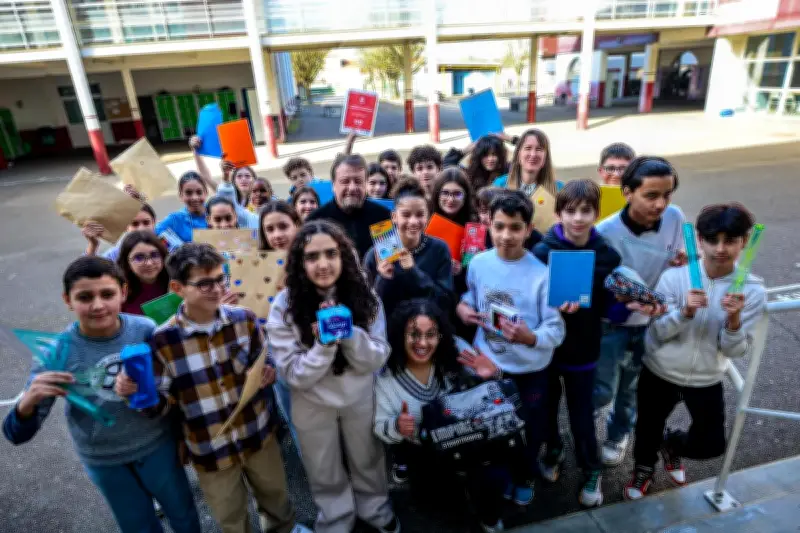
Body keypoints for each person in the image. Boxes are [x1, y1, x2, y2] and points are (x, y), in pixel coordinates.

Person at [3, 256, 201, 533]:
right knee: (137, 525)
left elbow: (175, 385)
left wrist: (182, 434)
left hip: (158, 446)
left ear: (123, 292)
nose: (97, 305)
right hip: (105, 460)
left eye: (107, 294)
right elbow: (16, 434)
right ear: (67, 300)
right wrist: (27, 404)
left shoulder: (145, 330)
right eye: (85, 297)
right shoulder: (56, 353)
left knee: (184, 514)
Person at [116, 243, 301, 533]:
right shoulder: (163, 340)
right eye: (204, 283)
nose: (216, 288)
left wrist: (268, 373)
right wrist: (136, 394)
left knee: (276, 499)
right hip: (209, 448)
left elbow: (264, 365)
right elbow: (164, 405)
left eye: (220, 279)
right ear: (177, 287)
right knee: (230, 515)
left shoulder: (245, 320)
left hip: (258, 434)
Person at [625, 203, 766, 500]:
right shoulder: (674, 278)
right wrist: (684, 313)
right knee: (648, 428)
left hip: (706, 376)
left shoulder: (752, 291)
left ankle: (673, 445)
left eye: (730, 240)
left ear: (744, 241)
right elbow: (655, 336)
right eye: (713, 240)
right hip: (660, 370)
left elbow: (735, 350)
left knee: (712, 443)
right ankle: (644, 468)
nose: (720, 249)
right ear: (699, 239)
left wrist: (734, 320)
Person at [267, 221, 399, 533]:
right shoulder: (284, 307)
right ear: (300, 263)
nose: (323, 264)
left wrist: (350, 333)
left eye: (331, 253)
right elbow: (293, 375)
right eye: (312, 257)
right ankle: (337, 521)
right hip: (311, 401)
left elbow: (378, 356)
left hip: (358, 396)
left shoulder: (365, 297)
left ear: (345, 256)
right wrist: (324, 346)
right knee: (323, 468)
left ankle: (376, 511)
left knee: (367, 459)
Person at [457, 191, 566, 506]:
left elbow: (556, 327)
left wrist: (530, 338)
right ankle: (503, 475)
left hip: (531, 371)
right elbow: (471, 297)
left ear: (529, 228)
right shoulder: (478, 263)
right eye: (499, 226)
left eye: (515, 228)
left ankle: (525, 476)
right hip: (488, 366)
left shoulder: (542, 274)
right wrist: (463, 309)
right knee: (494, 428)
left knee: (530, 430)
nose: (506, 236)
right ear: (489, 225)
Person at [374, 299, 509, 533]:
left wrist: (493, 373)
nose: (423, 343)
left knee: (492, 478)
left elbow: (495, 396)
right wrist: (396, 426)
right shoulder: (387, 377)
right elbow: (379, 425)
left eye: (430, 334)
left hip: (471, 442)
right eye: (413, 335)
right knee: (440, 505)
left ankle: (489, 514)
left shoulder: (456, 351)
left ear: (441, 336)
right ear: (399, 336)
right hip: (423, 451)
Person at [531, 180, 621, 508]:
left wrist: (626, 305)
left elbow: (612, 306)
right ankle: (553, 450)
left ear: (596, 213)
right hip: (548, 352)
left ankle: (591, 468)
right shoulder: (542, 253)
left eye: (586, 211)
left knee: (582, 416)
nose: (578, 218)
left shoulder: (607, 254)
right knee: (546, 409)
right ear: (558, 214)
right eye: (570, 211)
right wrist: (552, 308)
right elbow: (532, 301)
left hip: (584, 349)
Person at [594, 156, 688, 467]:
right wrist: (622, 300)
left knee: (632, 390)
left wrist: (685, 262)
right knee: (603, 388)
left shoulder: (675, 218)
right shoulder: (605, 232)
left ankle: (618, 434)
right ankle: (592, 425)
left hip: (654, 323)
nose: (661, 204)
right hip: (613, 324)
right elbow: (598, 287)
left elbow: (686, 260)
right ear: (627, 192)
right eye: (651, 195)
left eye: (667, 194)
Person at [363, 178, 453, 323]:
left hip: (428, 329)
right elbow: (367, 307)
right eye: (406, 215)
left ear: (428, 216)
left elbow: (445, 301)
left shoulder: (439, 249)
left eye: (420, 215)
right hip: (389, 332)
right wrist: (383, 278)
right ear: (394, 217)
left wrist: (413, 271)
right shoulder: (375, 254)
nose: (413, 221)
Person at [306, 153, 391, 260]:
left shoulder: (382, 216)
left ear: (365, 184)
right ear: (333, 185)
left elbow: (391, 261)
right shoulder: (315, 220)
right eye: (345, 181)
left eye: (358, 181)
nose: (352, 188)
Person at [430, 167, 477, 338]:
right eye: (445, 193)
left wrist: (462, 270)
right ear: (437, 194)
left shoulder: (475, 228)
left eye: (457, 194)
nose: (450, 199)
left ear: (466, 197)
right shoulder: (424, 222)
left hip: (462, 303)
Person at [493, 129, 562, 196]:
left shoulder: (559, 189)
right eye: (528, 148)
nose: (533, 154)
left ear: (546, 156)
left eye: (539, 149)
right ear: (518, 154)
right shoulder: (500, 185)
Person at [116, 230, 170, 316]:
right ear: (127, 263)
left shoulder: (177, 280)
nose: (149, 263)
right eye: (139, 257)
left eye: (154, 255)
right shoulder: (119, 291)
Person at [83, 202, 157, 261]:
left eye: (146, 222)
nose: (141, 228)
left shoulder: (167, 245)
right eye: (135, 224)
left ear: (154, 223)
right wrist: (93, 245)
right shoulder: (118, 253)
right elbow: (85, 273)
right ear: (125, 227)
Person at [153, 172, 210, 243]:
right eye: (188, 193)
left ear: (206, 192)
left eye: (199, 192)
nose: (194, 197)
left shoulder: (216, 214)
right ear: (180, 195)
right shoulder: (175, 219)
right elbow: (150, 235)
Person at [443, 134, 513, 191]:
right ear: (479, 156)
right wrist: (465, 150)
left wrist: (511, 139)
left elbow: (523, 159)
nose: (490, 159)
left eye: (494, 155)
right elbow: (446, 164)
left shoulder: (508, 171)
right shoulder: (470, 174)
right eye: (485, 155)